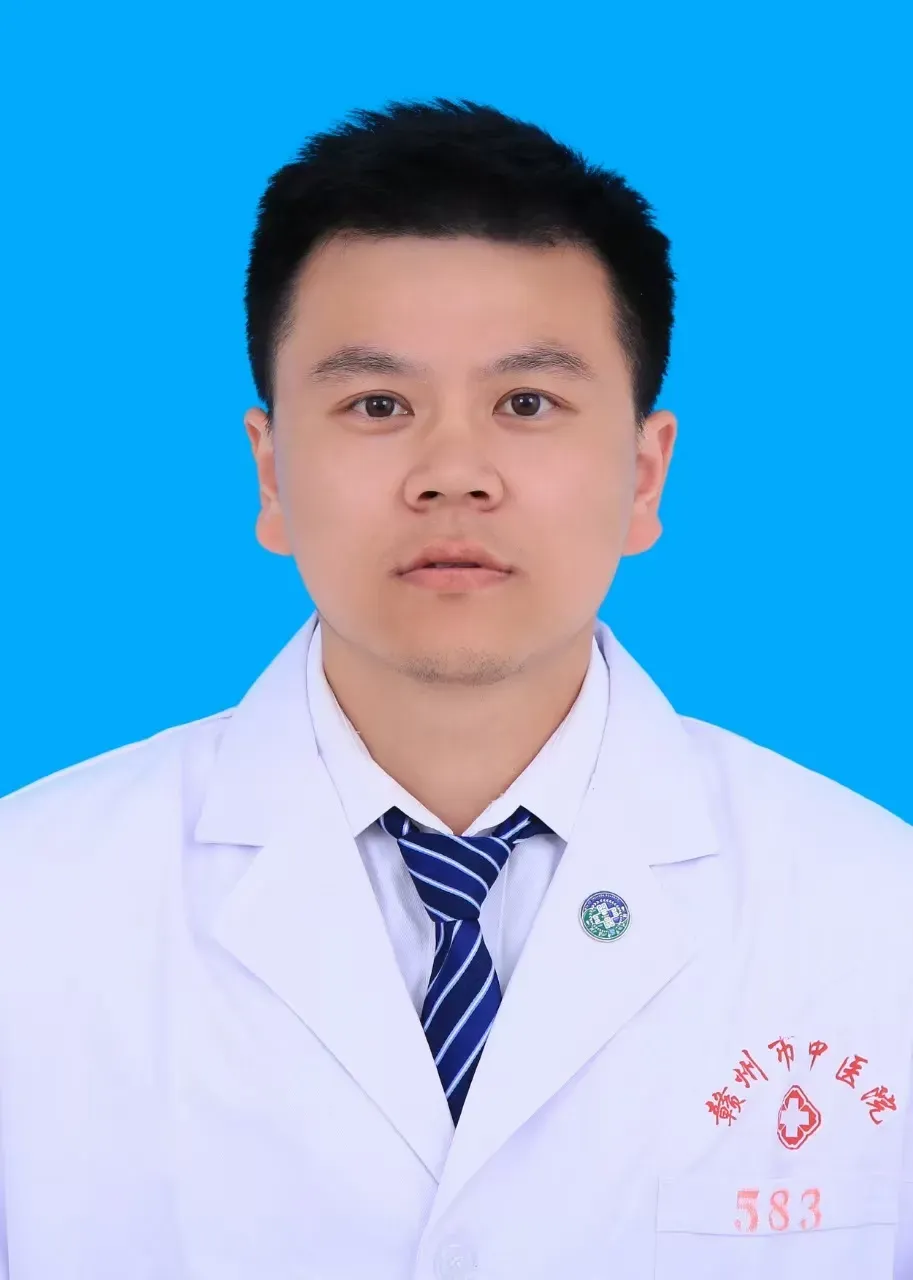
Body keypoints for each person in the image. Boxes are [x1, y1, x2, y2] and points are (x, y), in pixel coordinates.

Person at [0, 96, 911, 1280]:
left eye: (526, 403)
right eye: (377, 405)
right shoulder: (31, 906)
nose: (453, 473)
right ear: (270, 472)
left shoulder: (874, 913)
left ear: (644, 474)